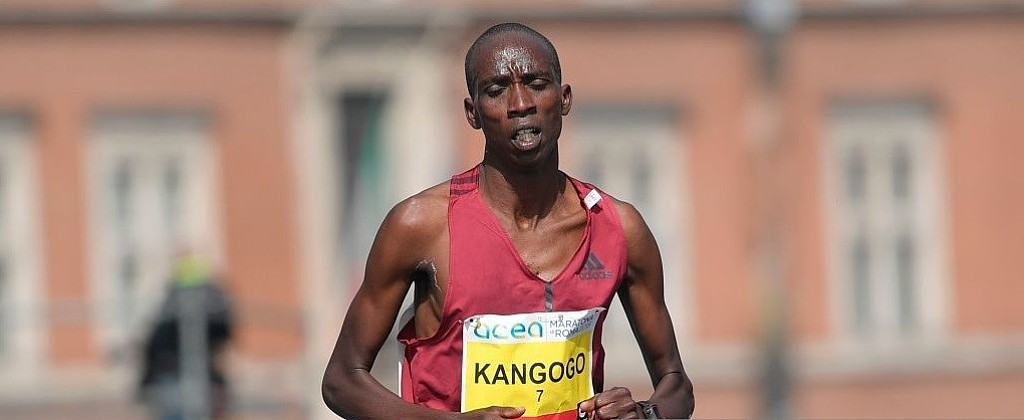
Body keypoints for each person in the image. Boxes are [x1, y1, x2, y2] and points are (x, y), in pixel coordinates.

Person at [322, 22, 694, 419]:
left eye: (536, 84)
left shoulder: (619, 228)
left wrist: (646, 414)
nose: (520, 104)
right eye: (497, 90)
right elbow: (342, 381)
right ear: (473, 113)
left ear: (564, 99)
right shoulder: (421, 226)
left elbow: (677, 384)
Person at [138, 252, 234, 420]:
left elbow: (155, 343)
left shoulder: (173, 305)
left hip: (179, 375)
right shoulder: (214, 303)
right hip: (188, 374)